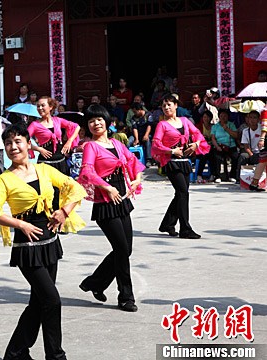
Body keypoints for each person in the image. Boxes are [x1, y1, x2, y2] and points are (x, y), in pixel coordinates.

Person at [0, 123, 86, 360]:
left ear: (29, 144)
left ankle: (16, 352)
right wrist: (20, 224)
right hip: (27, 246)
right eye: (8, 143)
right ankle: (56, 356)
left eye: (18, 141)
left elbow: (76, 188)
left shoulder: (44, 170)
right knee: (52, 300)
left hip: (50, 240)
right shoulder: (5, 179)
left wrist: (64, 211)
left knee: (39, 301)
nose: (13, 147)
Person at [77, 104, 144, 312]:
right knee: (122, 250)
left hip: (122, 199)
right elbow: (87, 171)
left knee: (125, 249)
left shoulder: (116, 143)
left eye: (99, 119)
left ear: (107, 122)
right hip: (105, 202)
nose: (96, 123)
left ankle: (94, 282)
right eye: (91, 121)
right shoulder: (91, 146)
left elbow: (133, 161)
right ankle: (125, 296)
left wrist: (136, 179)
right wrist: (106, 187)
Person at [151, 94, 210, 239]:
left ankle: (167, 224)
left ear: (176, 105)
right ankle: (185, 229)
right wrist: (171, 151)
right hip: (171, 162)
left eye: (169, 104)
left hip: (185, 162)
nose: (166, 108)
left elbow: (197, 134)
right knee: (183, 193)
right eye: (164, 106)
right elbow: (156, 144)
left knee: (180, 194)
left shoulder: (185, 121)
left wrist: (196, 144)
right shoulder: (162, 125)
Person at [28, 96, 80, 210]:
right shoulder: (35, 125)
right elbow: (23, 140)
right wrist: (38, 149)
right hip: (45, 163)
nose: (40, 108)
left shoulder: (57, 120)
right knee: (48, 192)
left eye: (43, 105)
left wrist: (69, 142)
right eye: (38, 106)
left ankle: (61, 218)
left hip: (60, 161)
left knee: (62, 191)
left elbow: (76, 127)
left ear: (50, 107)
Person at [210, 109, 239, 182]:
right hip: (219, 145)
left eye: (225, 116)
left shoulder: (231, 124)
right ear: (219, 117)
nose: (223, 118)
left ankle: (232, 175)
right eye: (221, 116)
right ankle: (217, 176)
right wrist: (217, 147)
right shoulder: (215, 126)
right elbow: (213, 138)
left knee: (235, 157)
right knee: (217, 157)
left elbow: (236, 135)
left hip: (231, 145)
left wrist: (226, 128)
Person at [237, 110, 262, 180]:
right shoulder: (245, 131)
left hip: (262, 152)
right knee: (242, 156)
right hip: (251, 152)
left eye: (254, 118)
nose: (252, 120)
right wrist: (251, 154)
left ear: (258, 119)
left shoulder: (262, 129)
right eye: (250, 117)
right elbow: (246, 146)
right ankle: (239, 179)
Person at [249, 108, 267, 191]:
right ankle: (254, 183)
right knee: (263, 161)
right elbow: (264, 126)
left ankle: (254, 183)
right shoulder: (265, 111)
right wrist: (262, 138)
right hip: (265, 138)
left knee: (263, 161)